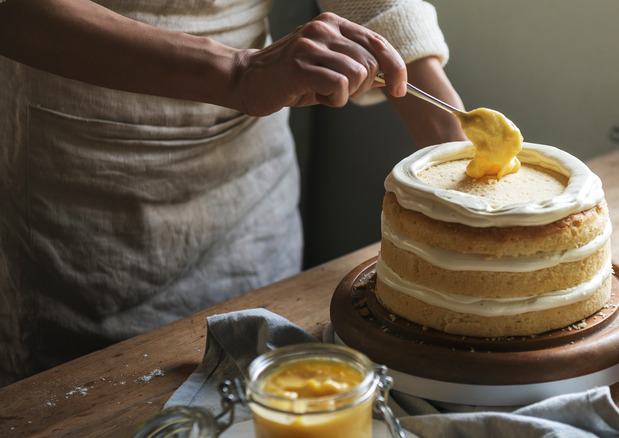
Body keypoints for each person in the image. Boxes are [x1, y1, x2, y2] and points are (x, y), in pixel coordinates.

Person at [0, 0, 467, 386]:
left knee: (259, 377)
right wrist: (237, 72)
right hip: (81, 178)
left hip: (251, 173)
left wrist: (451, 134)